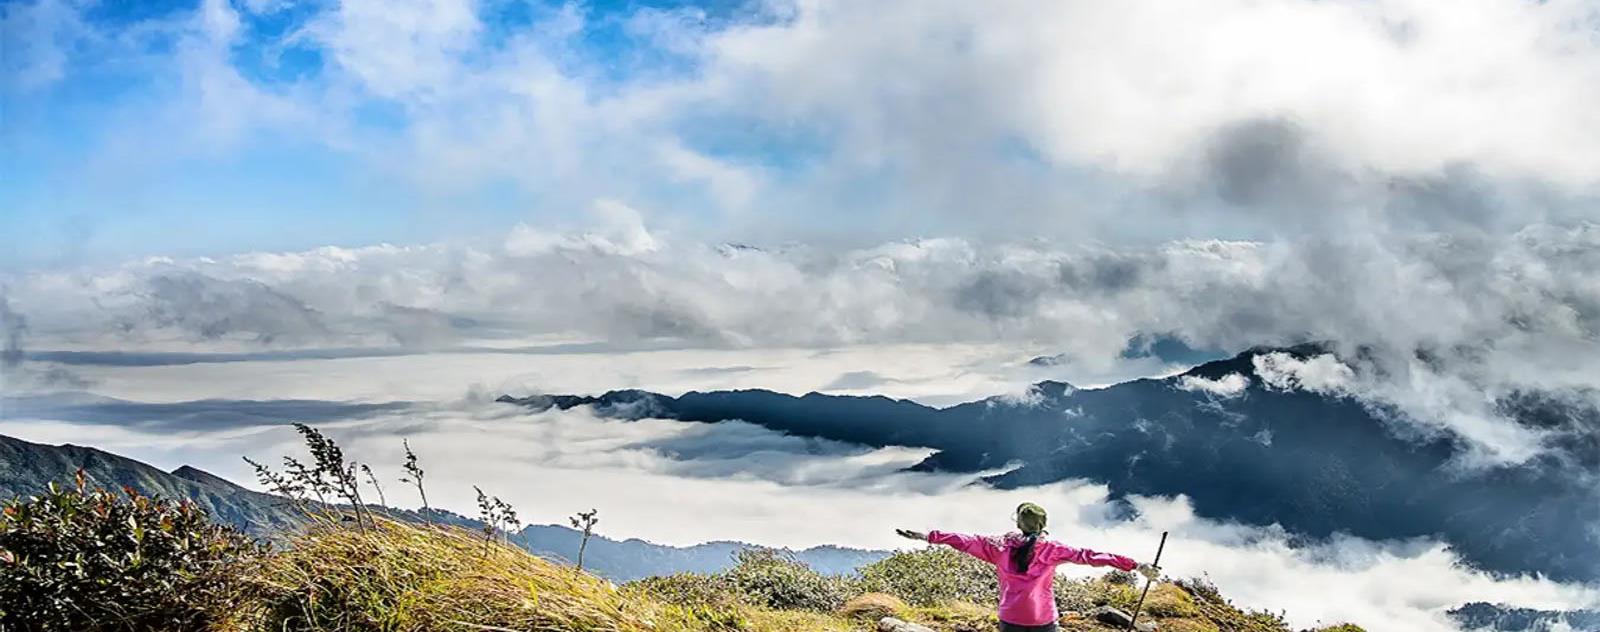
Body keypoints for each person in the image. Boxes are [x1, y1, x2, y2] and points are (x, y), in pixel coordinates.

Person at [896, 502, 1159, 632]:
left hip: (1010, 618)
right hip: (1044, 618)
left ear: (1018, 523)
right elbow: (1092, 556)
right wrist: (1136, 565)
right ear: (1042, 525)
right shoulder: (1053, 550)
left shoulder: (998, 546)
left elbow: (963, 541)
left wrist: (928, 535)